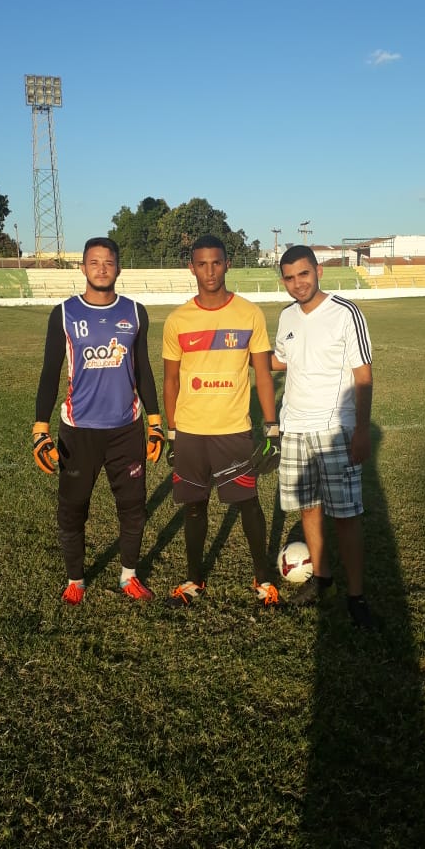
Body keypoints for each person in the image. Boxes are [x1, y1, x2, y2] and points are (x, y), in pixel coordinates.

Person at [32, 236, 164, 605]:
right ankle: (76, 578)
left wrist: (154, 421)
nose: (102, 268)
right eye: (94, 262)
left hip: (126, 429)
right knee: (73, 509)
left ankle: (129, 576)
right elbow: (49, 373)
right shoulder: (64, 313)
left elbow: (144, 370)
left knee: (133, 507)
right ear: (83, 268)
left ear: (118, 267)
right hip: (79, 432)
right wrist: (40, 428)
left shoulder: (136, 312)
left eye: (109, 262)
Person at [162, 234, 280, 607]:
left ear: (228, 264)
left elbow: (262, 374)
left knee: (247, 502)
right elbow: (171, 379)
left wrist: (272, 428)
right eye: (202, 263)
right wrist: (172, 433)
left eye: (216, 263)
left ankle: (263, 581)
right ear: (191, 267)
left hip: (234, 429)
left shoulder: (249, 314)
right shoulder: (178, 320)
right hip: (192, 432)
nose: (209, 271)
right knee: (194, 506)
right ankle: (194, 580)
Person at [271, 245, 374, 628]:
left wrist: (361, 430)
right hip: (294, 427)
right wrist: (239, 350)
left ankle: (356, 596)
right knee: (308, 507)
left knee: (346, 515)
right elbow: (280, 360)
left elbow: (363, 375)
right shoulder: (286, 318)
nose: (298, 283)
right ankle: (322, 578)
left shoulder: (345, 313)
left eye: (304, 274)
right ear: (283, 280)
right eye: (290, 277)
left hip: (335, 430)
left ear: (318, 273)